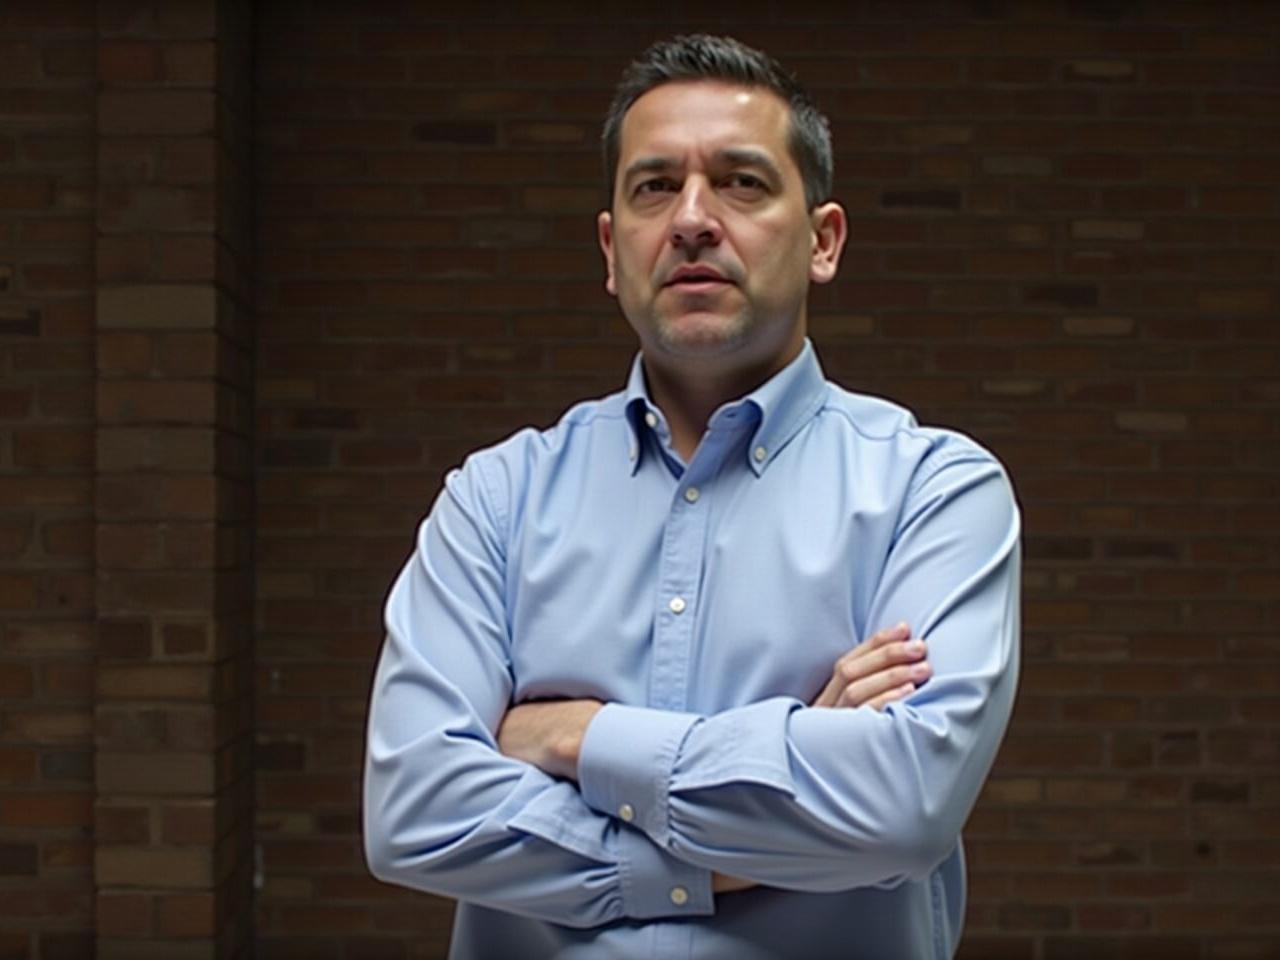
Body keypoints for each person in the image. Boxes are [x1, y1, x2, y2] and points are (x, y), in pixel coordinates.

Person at [364, 34, 1020, 960]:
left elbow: (899, 812)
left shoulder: (934, 490)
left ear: (823, 239)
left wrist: (575, 738)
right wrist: (786, 770)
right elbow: (414, 813)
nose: (693, 219)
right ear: (610, 247)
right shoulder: (495, 499)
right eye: (653, 186)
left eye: (743, 183)